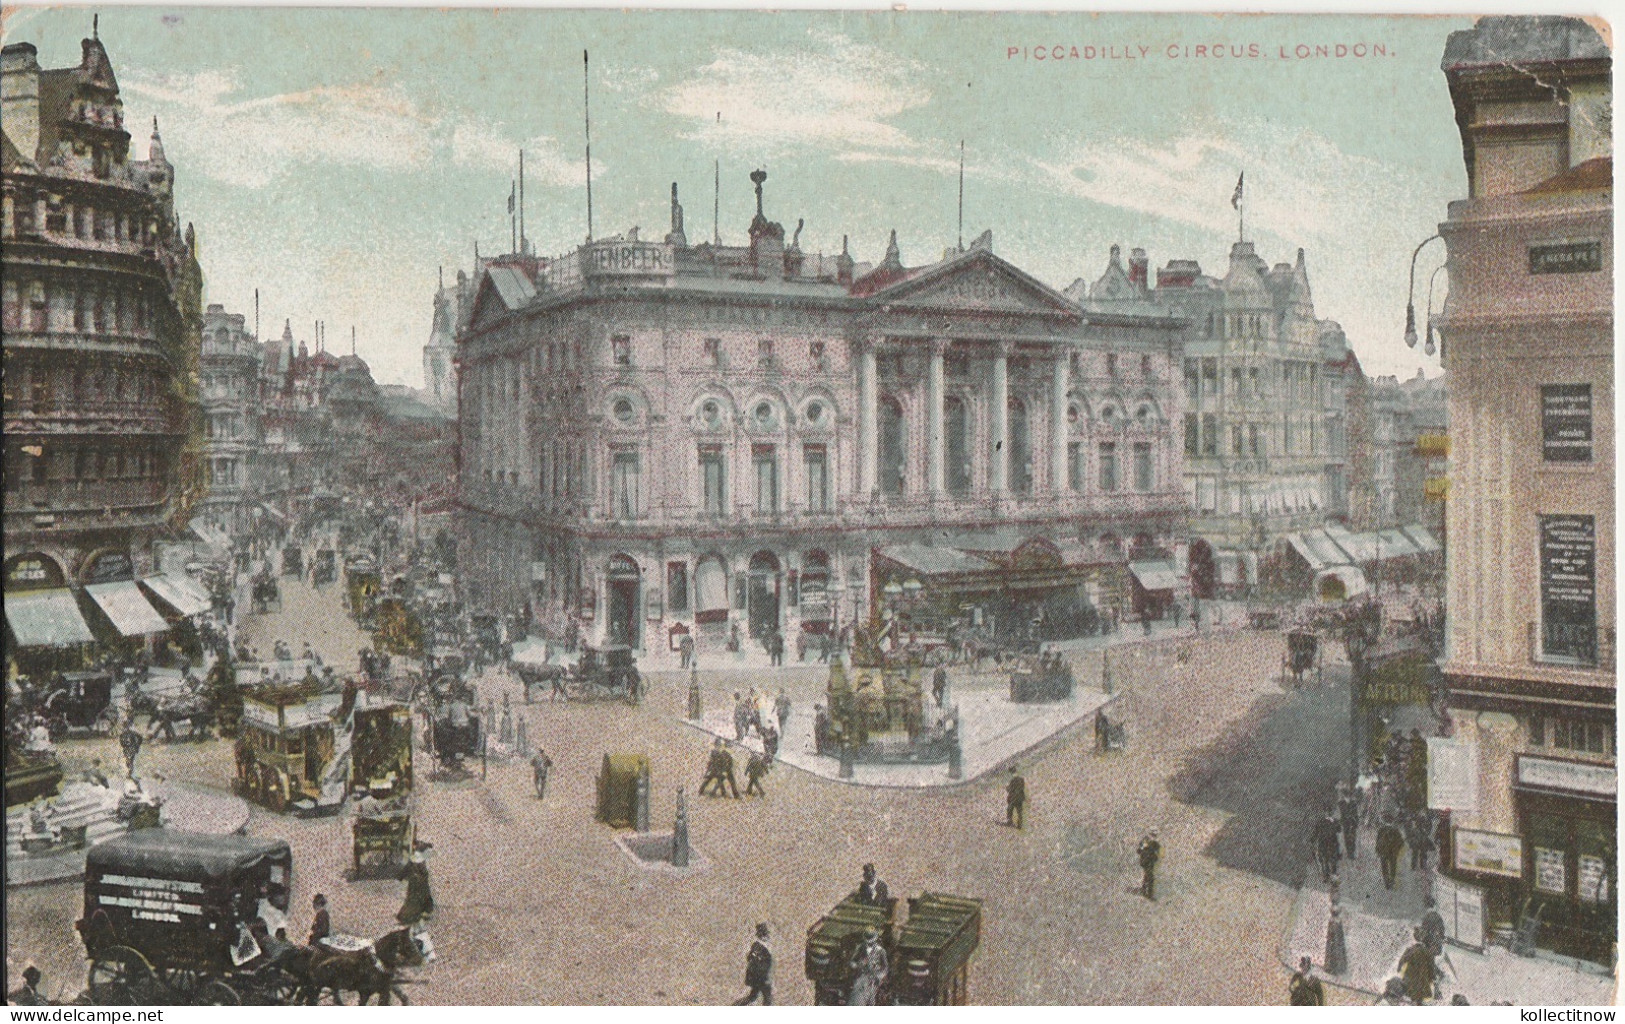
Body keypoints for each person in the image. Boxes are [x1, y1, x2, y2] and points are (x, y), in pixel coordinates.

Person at [847, 928, 889, 1006]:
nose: (869, 943)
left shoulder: (881, 951)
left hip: (875, 978)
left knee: (873, 998)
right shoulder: (860, 948)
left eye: (871, 941)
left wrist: (879, 976)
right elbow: (852, 962)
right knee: (857, 993)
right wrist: (858, 965)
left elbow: (885, 968)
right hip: (862, 976)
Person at [1397, 927, 1439, 1004]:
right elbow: (1431, 969)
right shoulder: (1428, 952)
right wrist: (1433, 979)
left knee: (1409, 998)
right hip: (1421, 982)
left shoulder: (1410, 949)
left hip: (1409, 979)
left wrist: (1399, 969)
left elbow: (1401, 962)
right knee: (1419, 1000)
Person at [735, 923, 774, 1005]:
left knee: (753, 996)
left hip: (759, 977)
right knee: (767, 999)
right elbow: (754, 962)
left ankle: (737, 1005)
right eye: (766, 934)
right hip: (761, 977)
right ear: (762, 935)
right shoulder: (758, 946)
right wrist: (764, 977)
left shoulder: (759, 946)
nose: (768, 936)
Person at [1313, 811, 1342, 884]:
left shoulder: (1320, 821)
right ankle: (1334, 877)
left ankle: (1326, 876)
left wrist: (1312, 840)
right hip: (1332, 843)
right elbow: (1339, 830)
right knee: (1333, 859)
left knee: (1324, 859)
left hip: (1323, 843)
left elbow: (1316, 833)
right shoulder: (1335, 821)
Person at [1337, 784, 1360, 859]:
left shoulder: (1353, 803)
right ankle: (1349, 851)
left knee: (1353, 837)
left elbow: (1356, 813)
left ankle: (1351, 852)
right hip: (1345, 822)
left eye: (1348, 794)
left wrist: (1356, 822)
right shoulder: (1341, 803)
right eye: (1346, 794)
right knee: (1346, 837)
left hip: (1352, 822)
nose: (1347, 796)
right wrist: (1341, 821)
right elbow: (1340, 814)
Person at [1137, 830, 1162, 900]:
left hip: (1151, 862)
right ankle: (1149, 895)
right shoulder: (1145, 842)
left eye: (1155, 835)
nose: (1154, 836)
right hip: (1146, 861)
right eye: (1153, 835)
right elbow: (1138, 851)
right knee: (1150, 878)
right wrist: (1144, 848)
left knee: (1147, 876)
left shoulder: (1155, 843)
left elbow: (1159, 851)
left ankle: (1144, 889)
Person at [1324, 906, 1348, 976]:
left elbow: (1338, 932)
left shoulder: (1334, 921)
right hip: (1335, 942)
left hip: (1334, 941)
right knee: (1334, 954)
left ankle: (1334, 969)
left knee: (1334, 954)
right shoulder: (1335, 921)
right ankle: (1333, 969)